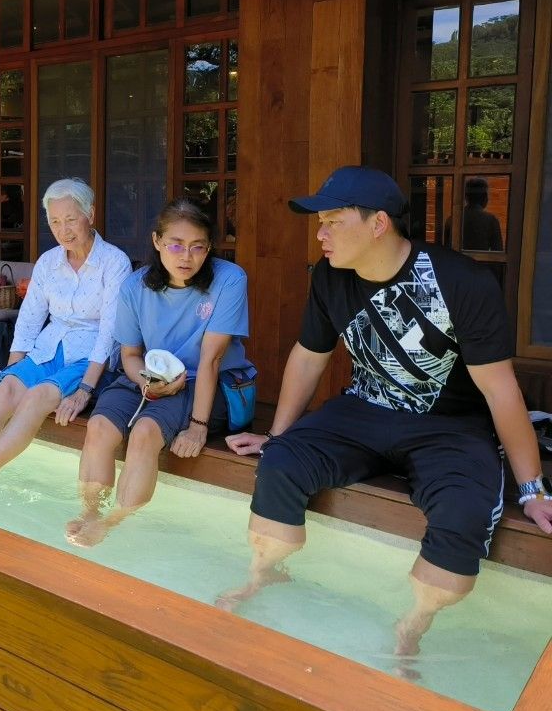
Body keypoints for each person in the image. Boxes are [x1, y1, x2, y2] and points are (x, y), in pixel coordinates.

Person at [218, 166, 552, 658]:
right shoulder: (330, 277)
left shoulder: (460, 280)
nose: (321, 232)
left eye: (333, 221)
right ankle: (263, 576)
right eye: (320, 222)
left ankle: (413, 626)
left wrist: (532, 488)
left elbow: (502, 391)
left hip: (450, 427)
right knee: (282, 463)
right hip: (363, 410)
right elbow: (309, 356)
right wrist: (277, 435)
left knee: (463, 510)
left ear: (378, 224)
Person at [0, 178, 131, 489]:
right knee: (7, 388)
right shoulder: (48, 262)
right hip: (49, 348)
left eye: (71, 219)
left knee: (37, 395)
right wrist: (14, 369)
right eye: (55, 221)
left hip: (90, 359)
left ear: (91, 215)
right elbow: (29, 318)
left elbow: (110, 333)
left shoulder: (114, 262)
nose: (63, 229)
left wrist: (85, 388)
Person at [65, 198, 250, 546]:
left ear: (209, 248)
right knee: (100, 426)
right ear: (157, 242)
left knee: (146, 432)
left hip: (204, 382)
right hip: (148, 376)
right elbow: (131, 354)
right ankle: (90, 512)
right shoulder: (135, 287)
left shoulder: (229, 280)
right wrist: (146, 381)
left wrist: (198, 427)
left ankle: (115, 521)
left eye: (198, 247)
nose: (186, 256)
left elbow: (211, 359)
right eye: (175, 245)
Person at [443, 176, 503, 252]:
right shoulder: (491, 221)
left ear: (466, 197)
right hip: (478, 263)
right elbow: (498, 253)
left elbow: (446, 250)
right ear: (484, 197)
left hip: (456, 262)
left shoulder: (452, 219)